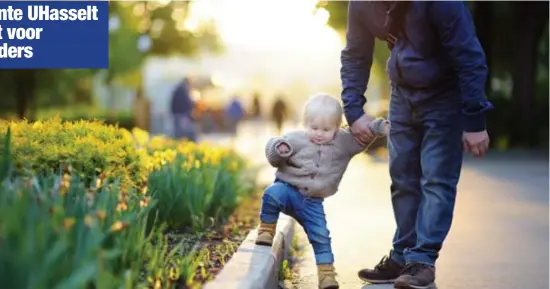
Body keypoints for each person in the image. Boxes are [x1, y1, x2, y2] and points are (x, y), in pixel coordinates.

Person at [340, 2, 493, 289]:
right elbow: (355, 55)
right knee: (402, 178)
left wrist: (474, 119)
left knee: (436, 179)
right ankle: (402, 257)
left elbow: (469, 55)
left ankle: (422, 260)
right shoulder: (361, 3)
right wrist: (354, 111)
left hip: (444, 95)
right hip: (402, 95)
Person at [255, 93, 389, 289]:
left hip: (312, 202)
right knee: (271, 193)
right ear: (305, 123)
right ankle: (266, 230)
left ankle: (326, 275)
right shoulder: (295, 138)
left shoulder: (343, 142)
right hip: (288, 189)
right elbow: (272, 153)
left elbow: (363, 137)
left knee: (321, 236)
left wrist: (377, 127)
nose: (319, 133)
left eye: (326, 129)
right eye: (314, 127)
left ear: (337, 126)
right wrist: (279, 149)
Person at [170, 77, 196, 142]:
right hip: (181, 114)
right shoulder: (183, 89)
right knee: (182, 131)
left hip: (177, 113)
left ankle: (179, 142)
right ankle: (181, 143)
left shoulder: (178, 88)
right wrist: (192, 103)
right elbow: (187, 102)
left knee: (178, 131)